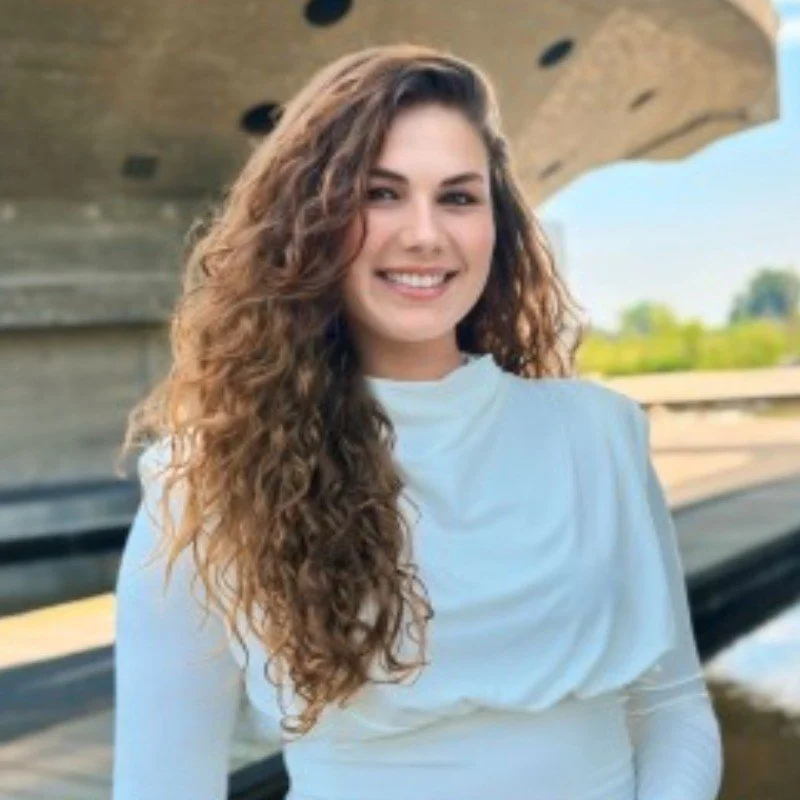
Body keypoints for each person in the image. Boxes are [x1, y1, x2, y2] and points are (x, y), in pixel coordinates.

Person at [112, 43, 723, 800]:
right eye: (381, 193)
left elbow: (672, 709)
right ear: (310, 221)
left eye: (459, 197)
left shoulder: (599, 435)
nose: (425, 234)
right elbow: (164, 786)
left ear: (496, 225)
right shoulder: (201, 484)